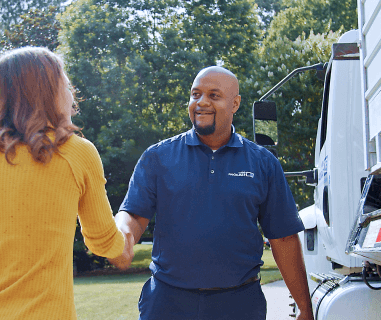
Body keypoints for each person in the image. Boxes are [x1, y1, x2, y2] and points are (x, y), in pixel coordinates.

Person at [0, 47, 132, 320]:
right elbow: (102, 242)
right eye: (66, 85)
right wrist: (124, 236)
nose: (72, 97)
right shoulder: (75, 153)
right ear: (48, 94)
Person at [115, 66, 314, 320]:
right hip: (167, 303)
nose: (201, 103)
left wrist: (305, 308)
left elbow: (283, 238)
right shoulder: (158, 157)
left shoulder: (263, 163)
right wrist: (123, 234)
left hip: (239, 304)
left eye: (214, 95)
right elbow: (133, 214)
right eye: (195, 94)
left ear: (235, 103)